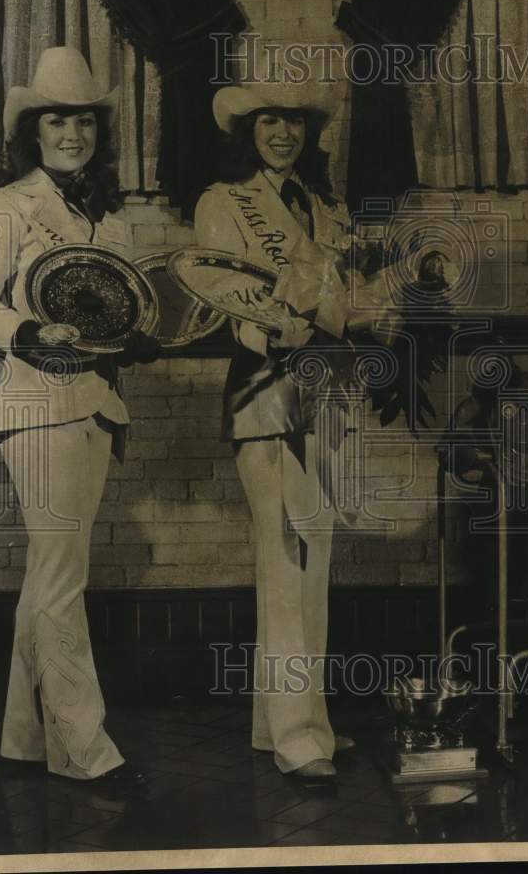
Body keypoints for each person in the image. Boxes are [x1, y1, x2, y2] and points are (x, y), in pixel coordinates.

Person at [0, 46, 160, 784]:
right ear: (32, 130)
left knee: (49, 576)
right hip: (39, 408)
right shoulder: (8, 205)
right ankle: (84, 750)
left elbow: (118, 308)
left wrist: (135, 340)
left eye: (83, 119)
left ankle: (23, 737)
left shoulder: (104, 217)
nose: (72, 132)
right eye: (57, 119)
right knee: (61, 581)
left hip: (95, 406)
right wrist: (28, 332)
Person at [193, 82, 357, 781]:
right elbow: (225, 296)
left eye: (293, 120)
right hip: (264, 400)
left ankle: (290, 721)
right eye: (269, 121)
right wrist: (282, 321)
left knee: (309, 557)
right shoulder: (222, 203)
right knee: (285, 560)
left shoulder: (326, 208)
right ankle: (299, 741)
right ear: (248, 132)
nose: (282, 133)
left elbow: (343, 302)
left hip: (324, 396)